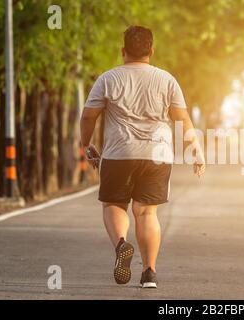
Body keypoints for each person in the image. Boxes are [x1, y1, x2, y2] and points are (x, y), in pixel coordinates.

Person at [80, 25, 205, 288]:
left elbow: (89, 115)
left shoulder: (108, 79)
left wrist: (86, 143)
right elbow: (182, 119)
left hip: (118, 153)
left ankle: (122, 244)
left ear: (123, 51)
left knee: (113, 204)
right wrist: (196, 149)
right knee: (147, 212)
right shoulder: (166, 79)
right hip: (157, 155)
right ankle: (149, 272)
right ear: (151, 50)